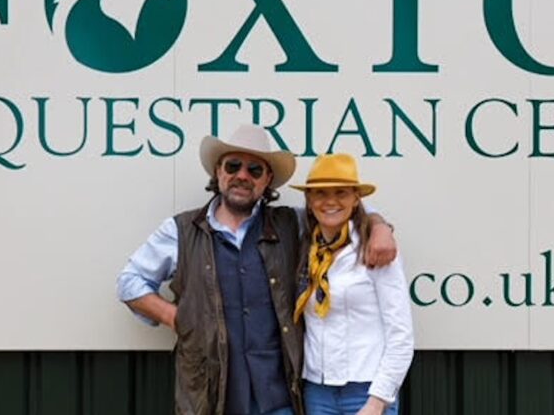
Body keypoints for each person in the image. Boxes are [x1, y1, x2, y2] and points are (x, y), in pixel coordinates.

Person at [116, 125, 396, 415]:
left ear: (267, 180)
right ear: (218, 171)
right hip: (210, 400)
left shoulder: (291, 224)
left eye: (254, 170)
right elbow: (129, 283)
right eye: (233, 166)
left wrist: (378, 226)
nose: (242, 175)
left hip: (280, 401)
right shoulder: (182, 230)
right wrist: (179, 318)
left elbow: (337, 207)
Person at [291, 154, 414, 415]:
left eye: (341, 193)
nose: (330, 201)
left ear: (356, 199)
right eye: (321, 193)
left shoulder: (376, 249)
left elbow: (400, 333)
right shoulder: (303, 247)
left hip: (367, 389)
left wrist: (377, 402)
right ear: (309, 200)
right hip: (317, 389)